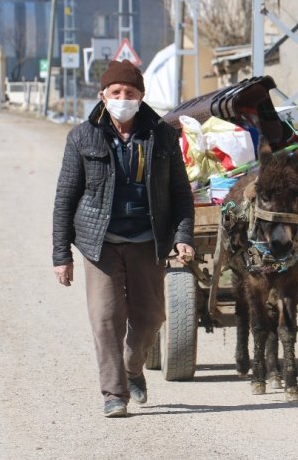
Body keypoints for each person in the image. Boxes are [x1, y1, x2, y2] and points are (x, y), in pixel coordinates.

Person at [52, 59, 195, 418]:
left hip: (147, 239)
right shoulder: (82, 137)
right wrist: (61, 255)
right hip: (100, 242)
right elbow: (65, 197)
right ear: (103, 96)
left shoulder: (161, 135)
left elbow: (180, 192)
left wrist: (183, 236)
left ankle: (133, 369)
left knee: (151, 318)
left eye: (129, 92)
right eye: (115, 92)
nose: (122, 98)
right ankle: (114, 393)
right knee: (105, 317)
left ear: (141, 96)